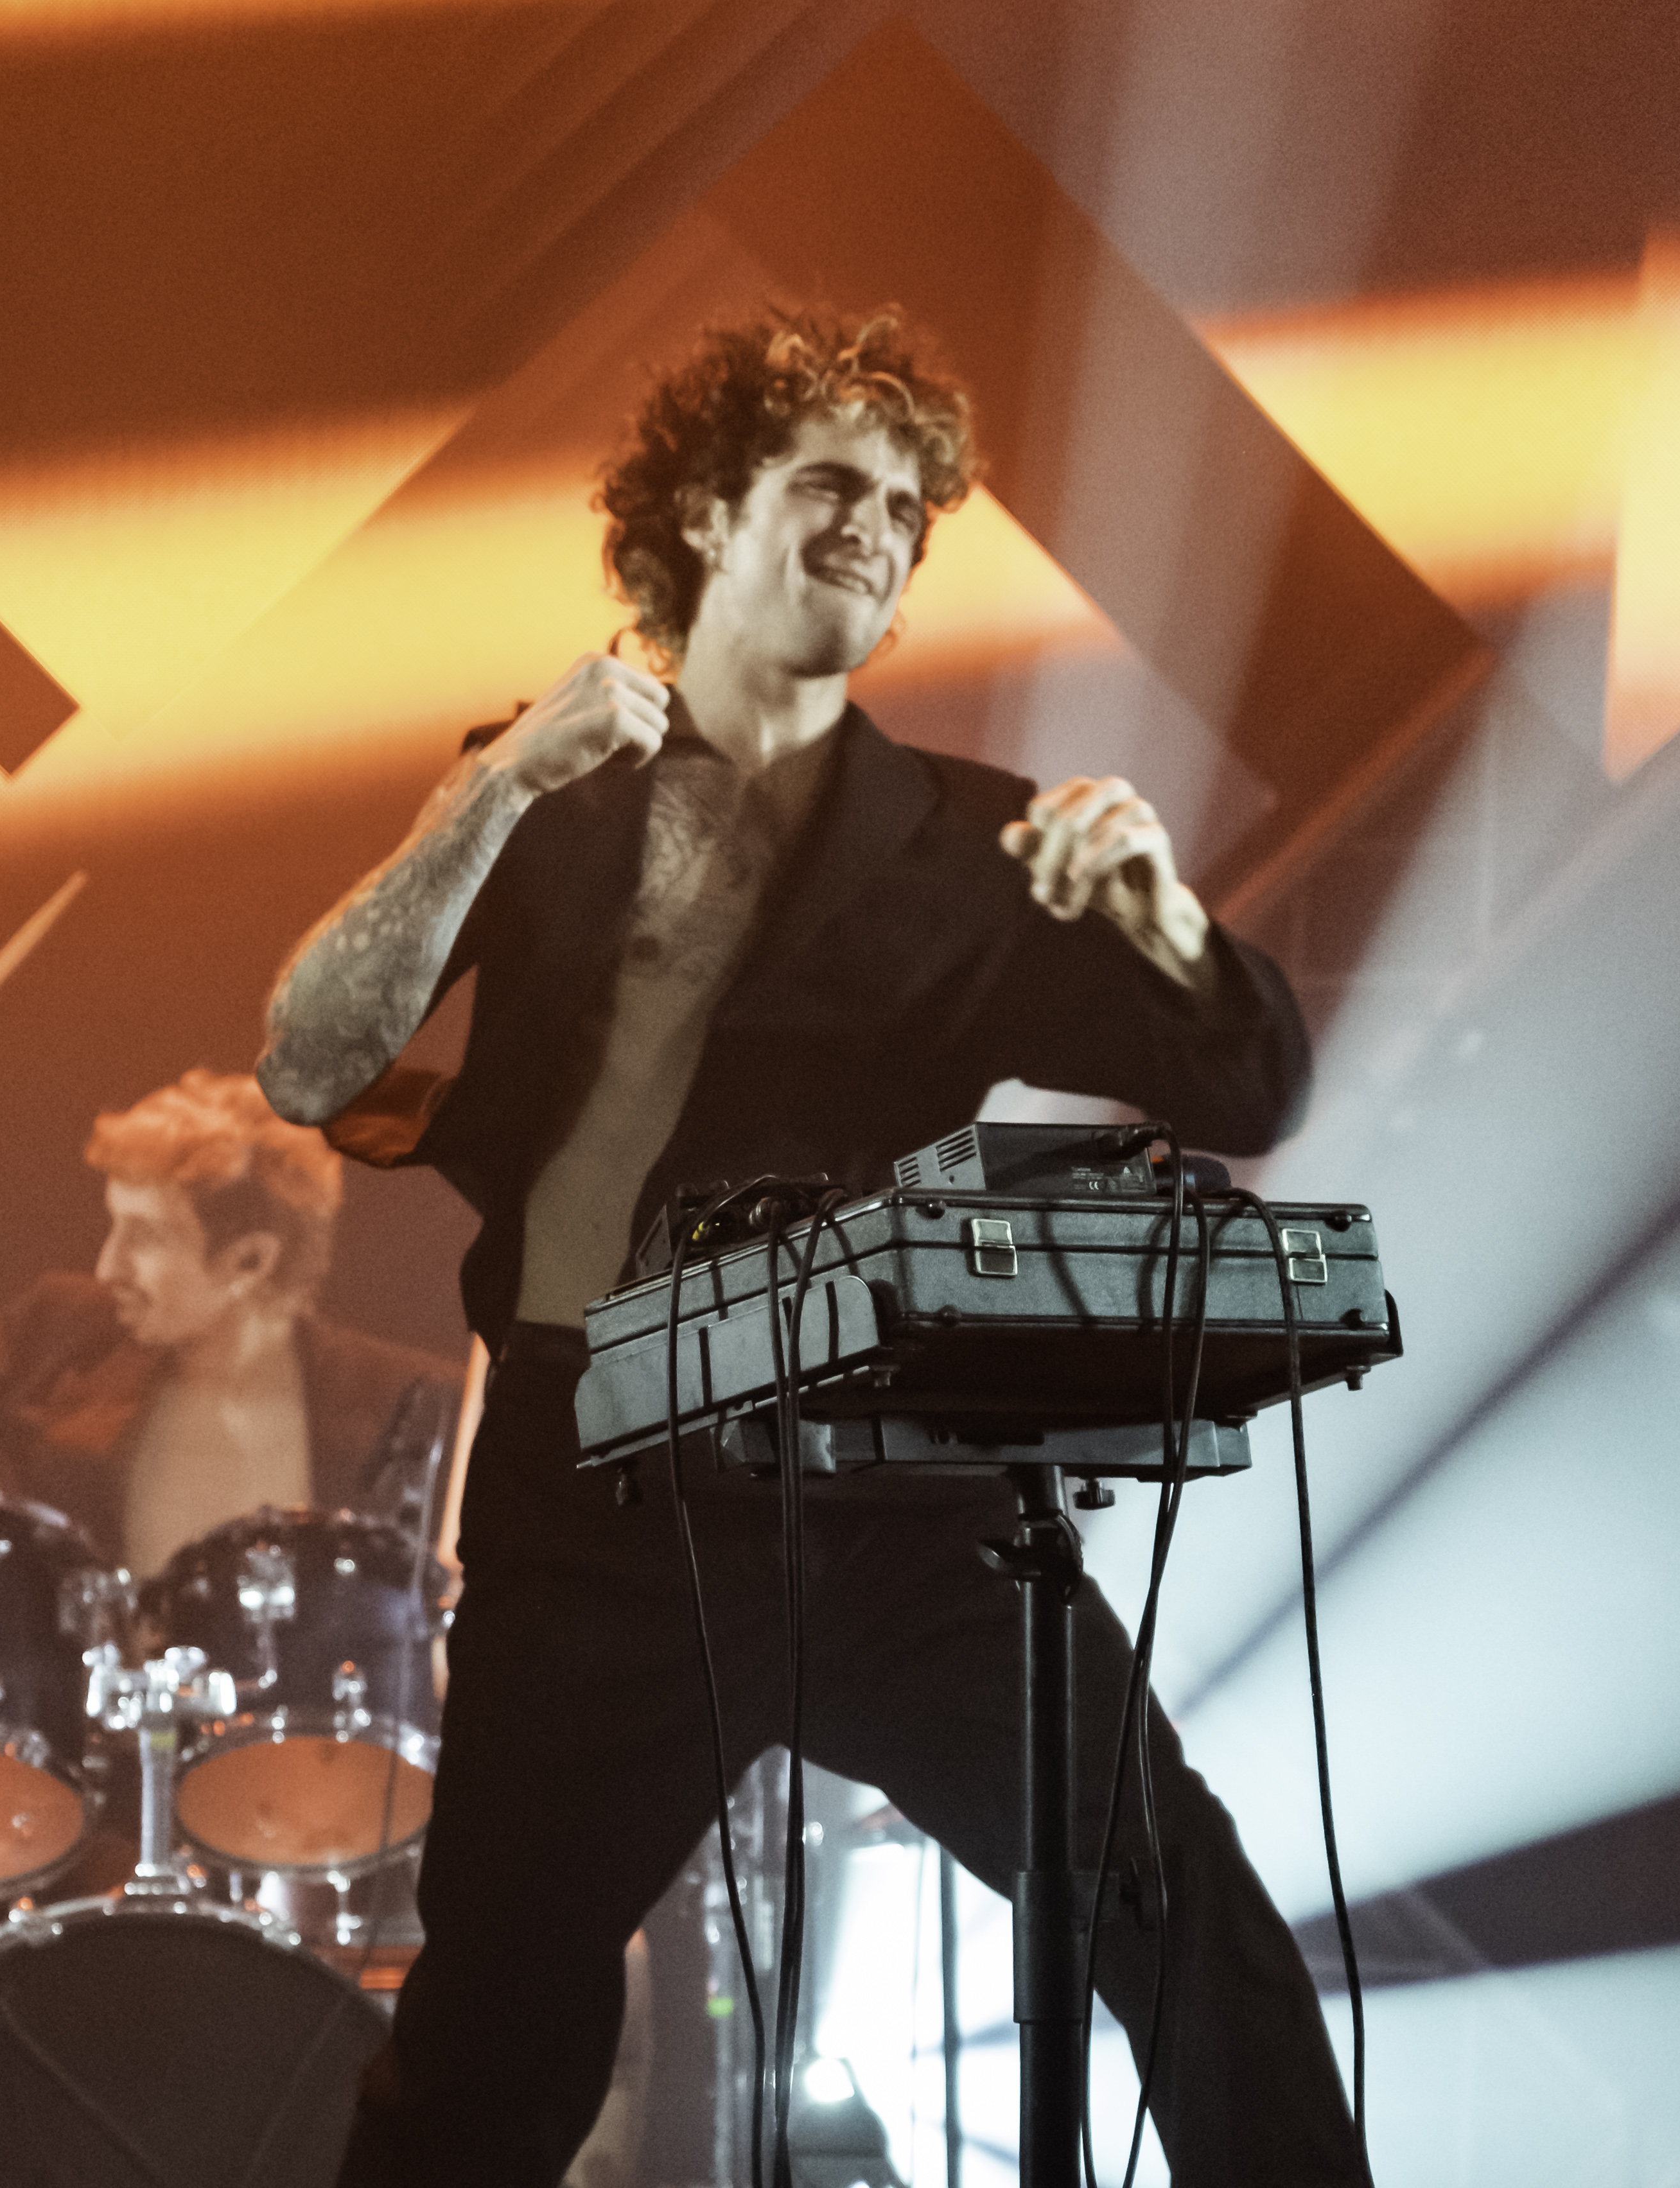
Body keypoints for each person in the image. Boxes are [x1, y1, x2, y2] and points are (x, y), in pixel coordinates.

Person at [258, 310, 1365, 2185]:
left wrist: (1167, 921)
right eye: (831, 482)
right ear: (705, 511)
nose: (877, 527)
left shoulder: (970, 846)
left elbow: (1246, 1083)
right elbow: (308, 1057)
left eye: (909, 509)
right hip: (596, 1500)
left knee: (1170, 1894)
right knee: (488, 2044)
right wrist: (493, 788)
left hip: (893, 1501)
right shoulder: (545, 788)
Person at [0, 1067, 460, 1574]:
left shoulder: (414, 1410)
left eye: (145, 1236)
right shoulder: (62, 1334)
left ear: (249, 1260)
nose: (108, 1265)